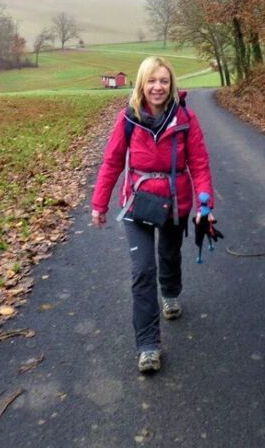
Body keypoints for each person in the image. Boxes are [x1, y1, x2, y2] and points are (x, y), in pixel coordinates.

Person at [91, 56, 215, 373]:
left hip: (176, 201)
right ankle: (148, 346)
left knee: (170, 253)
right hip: (137, 202)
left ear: (171, 84)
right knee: (143, 271)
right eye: (151, 81)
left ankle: (171, 292)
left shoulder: (186, 119)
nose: (157, 87)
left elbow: (199, 164)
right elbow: (112, 162)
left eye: (163, 81)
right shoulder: (127, 119)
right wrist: (99, 204)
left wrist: (206, 205)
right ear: (141, 85)